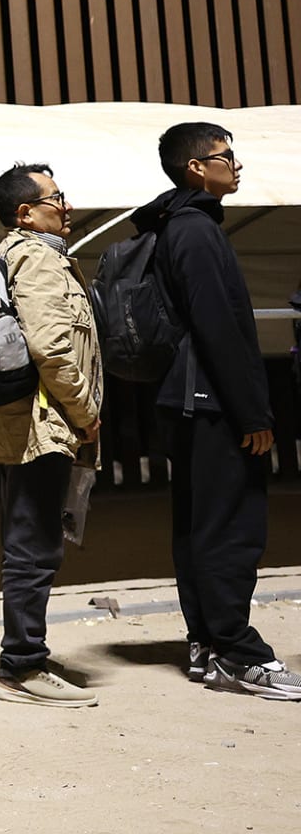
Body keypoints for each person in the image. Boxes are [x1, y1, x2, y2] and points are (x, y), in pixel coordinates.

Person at [139, 123, 300, 699]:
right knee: (231, 528)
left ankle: (208, 645)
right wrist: (254, 413)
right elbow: (220, 330)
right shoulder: (196, 232)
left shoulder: (174, 227)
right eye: (226, 156)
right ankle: (238, 653)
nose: (236, 165)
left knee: (199, 528)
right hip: (211, 403)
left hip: (187, 400)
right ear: (196, 168)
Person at [0, 165, 104, 706]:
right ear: (25, 212)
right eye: (57, 198)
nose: (67, 206)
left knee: (33, 541)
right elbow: (51, 346)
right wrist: (85, 411)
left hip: (36, 422)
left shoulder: (30, 255)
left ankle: (25, 659)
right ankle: (21, 669)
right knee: (33, 546)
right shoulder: (35, 258)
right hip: (41, 425)